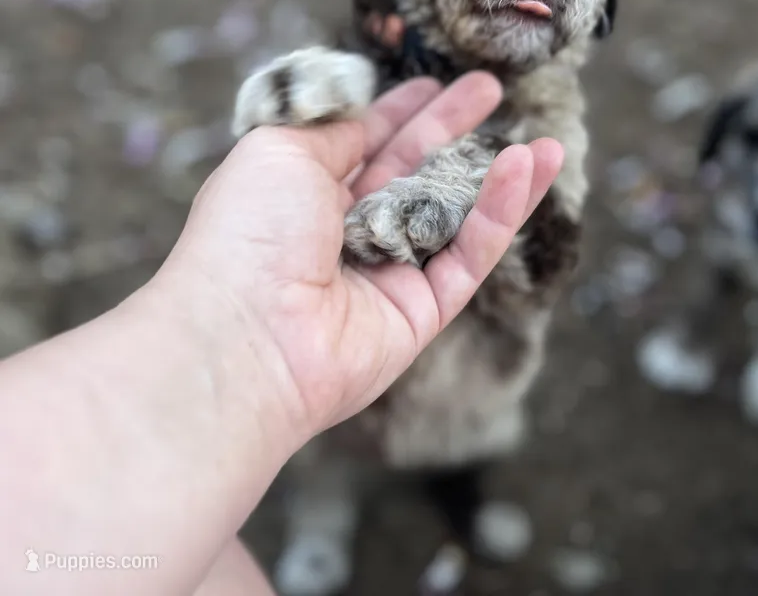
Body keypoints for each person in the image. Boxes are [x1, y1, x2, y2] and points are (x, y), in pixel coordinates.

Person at [0, 71, 562, 596]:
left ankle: (463, 505)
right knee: (323, 459)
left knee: (464, 449)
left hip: (448, 398)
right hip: (306, 396)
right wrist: (241, 332)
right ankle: (322, 526)